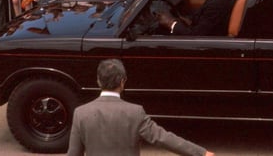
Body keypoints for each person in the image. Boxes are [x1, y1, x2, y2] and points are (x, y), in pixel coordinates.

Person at [67, 59, 214, 156]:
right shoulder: (135, 112)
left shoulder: (81, 113)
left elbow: (74, 153)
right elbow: (163, 138)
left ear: (98, 81)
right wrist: (200, 153)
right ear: (123, 82)